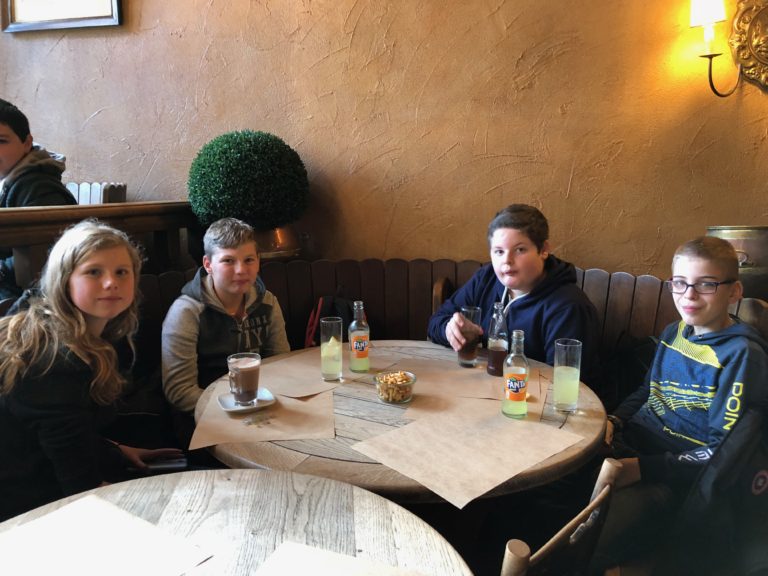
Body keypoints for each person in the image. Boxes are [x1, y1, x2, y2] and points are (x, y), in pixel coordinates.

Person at [590, 236, 768, 573]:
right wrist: (615, 420)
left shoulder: (742, 355)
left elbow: (722, 452)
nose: (689, 295)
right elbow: (648, 391)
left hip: (675, 479)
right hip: (628, 447)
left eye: (706, 284)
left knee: (589, 541)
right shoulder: (675, 331)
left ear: (734, 292)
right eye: (680, 283)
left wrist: (642, 468)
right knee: (550, 495)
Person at [0, 220, 183, 521]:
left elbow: (60, 433)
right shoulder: (54, 362)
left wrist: (117, 450)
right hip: (27, 509)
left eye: (121, 272)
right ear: (64, 280)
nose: (111, 282)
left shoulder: (78, 331)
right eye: (94, 272)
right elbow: (81, 489)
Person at [427, 203, 600, 387]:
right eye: (499, 251)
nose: (507, 261)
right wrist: (449, 330)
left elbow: (565, 386)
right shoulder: (486, 278)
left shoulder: (569, 307)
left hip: (531, 398)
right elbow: (435, 322)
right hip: (480, 387)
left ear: (543, 250)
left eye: (520, 250)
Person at [162, 217, 290, 445]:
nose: (241, 270)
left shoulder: (268, 302)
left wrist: (261, 409)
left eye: (249, 260)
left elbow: (280, 365)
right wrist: (237, 412)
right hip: (203, 423)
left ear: (258, 261)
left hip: (260, 413)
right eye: (228, 261)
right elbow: (179, 392)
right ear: (208, 264)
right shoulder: (186, 312)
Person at [0, 98, 77, 299]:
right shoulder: (8, 181)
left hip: (29, 298)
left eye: (1, 141)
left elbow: (50, 252)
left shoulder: (38, 187)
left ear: (27, 143)